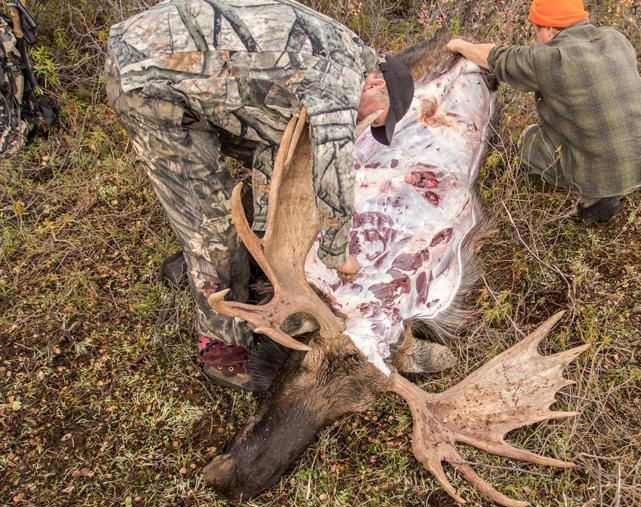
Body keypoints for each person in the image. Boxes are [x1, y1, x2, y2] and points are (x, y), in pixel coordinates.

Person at [106, 0, 414, 390]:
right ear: (374, 85)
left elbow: (283, 143)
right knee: (213, 229)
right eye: (373, 116)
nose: (362, 122)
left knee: (279, 152)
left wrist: (273, 232)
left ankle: (250, 269)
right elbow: (333, 172)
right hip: (146, 82)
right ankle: (220, 347)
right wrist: (339, 255)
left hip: (179, 65)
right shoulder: (340, 86)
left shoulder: (348, 51)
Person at [447, 0, 641, 222]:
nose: (535, 36)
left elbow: (494, 57)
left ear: (548, 28)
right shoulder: (615, 37)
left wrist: (459, 45)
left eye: (536, 29)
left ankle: (593, 199)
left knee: (529, 141)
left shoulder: (548, 59)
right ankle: (635, 162)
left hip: (603, 176)